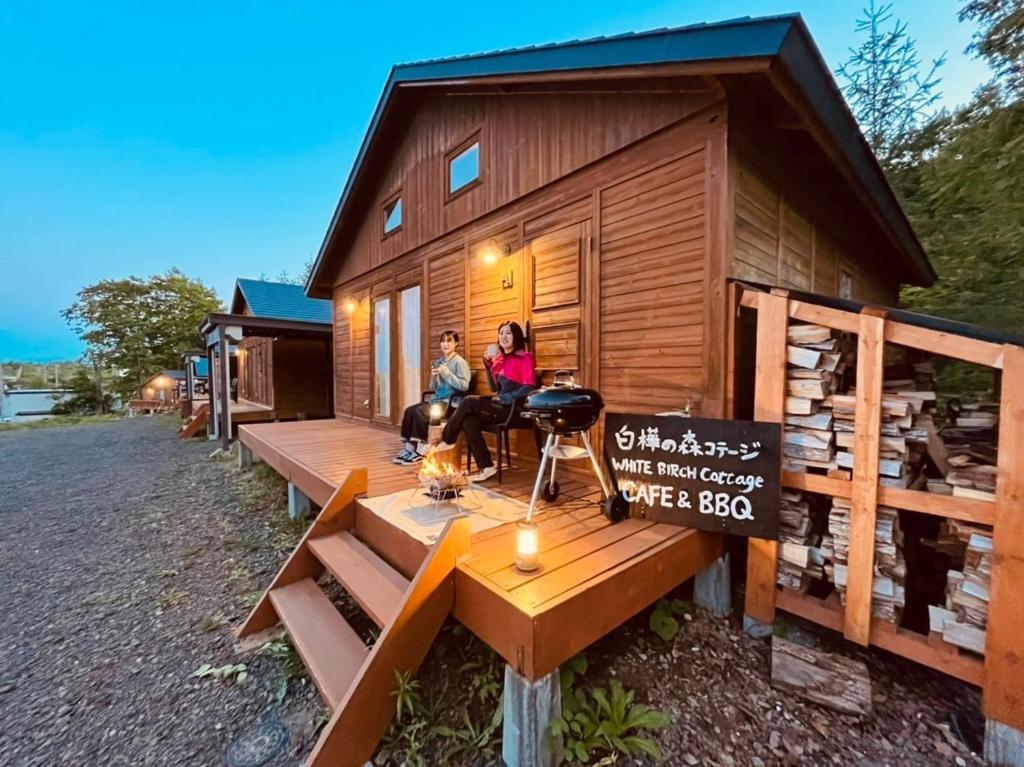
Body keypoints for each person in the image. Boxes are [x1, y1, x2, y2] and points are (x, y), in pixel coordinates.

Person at [434, 320, 537, 482]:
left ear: (516, 336)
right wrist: (488, 365)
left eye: (508, 333)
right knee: (469, 421)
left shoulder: (525, 358)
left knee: (468, 400)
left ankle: (447, 438)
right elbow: (494, 387)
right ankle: (487, 466)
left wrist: (507, 397)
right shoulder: (501, 359)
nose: (504, 336)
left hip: (515, 410)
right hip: (500, 406)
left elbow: (529, 387)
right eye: (501, 333)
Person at [392, 331, 470, 465]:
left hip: (451, 404)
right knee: (409, 410)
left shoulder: (460, 363)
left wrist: (446, 373)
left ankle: (419, 452)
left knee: (419, 412)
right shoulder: (439, 362)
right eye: (443, 341)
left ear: (456, 343)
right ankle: (409, 449)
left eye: (449, 341)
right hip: (437, 400)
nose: (445, 344)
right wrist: (434, 376)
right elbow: (433, 387)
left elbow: (464, 386)